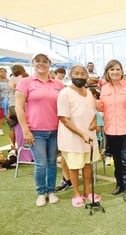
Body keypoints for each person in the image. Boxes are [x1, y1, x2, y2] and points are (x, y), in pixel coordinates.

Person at [15, 52, 64, 207]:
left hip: (55, 130)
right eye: (38, 61)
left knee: (51, 163)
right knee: (41, 164)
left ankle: (51, 191)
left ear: (50, 64)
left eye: (45, 61)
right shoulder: (25, 82)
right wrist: (25, 130)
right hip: (35, 131)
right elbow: (19, 107)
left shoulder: (58, 84)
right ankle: (41, 193)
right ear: (33, 63)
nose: (41, 64)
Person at [57, 65, 100, 207]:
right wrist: (81, 133)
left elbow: (93, 111)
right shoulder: (65, 93)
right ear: (70, 75)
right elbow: (63, 118)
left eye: (83, 74)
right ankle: (76, 194)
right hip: (72, 137)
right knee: (74, 166)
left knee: (87, 164)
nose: (80, 76)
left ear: (87, 76)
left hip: (89, 136)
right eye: (76, 73)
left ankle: (87, 192)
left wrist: (95, 123)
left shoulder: (88, 92)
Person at [97, 59, 126, 201]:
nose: (115, 72)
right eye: (112, 69)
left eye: (117, 69)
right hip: (110, 129)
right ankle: (119, 184)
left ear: (122, 71)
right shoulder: (104, 88)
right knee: (116, 159)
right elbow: (101, 107)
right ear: (108, 71)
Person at [0, 67, 8, 136]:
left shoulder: (9, 80)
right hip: (1, 101)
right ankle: (0, 129)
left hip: (8, 100)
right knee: (1, 116)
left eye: (4, 71)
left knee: (8, 115)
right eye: (1, 71)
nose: (3, 73)